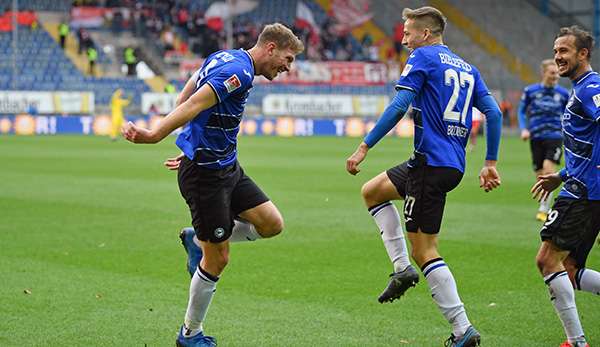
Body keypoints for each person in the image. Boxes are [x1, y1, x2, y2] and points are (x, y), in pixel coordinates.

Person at [122, 23, 304, 347]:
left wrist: (188, 142)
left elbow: (189, 88)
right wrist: (154, 136)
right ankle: (189, 335)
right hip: (205, 177)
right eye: (287, 59)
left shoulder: (226, 57)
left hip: (227, 167)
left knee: (272, 223)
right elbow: (193, 104)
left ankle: (197, 239)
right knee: (218, 259)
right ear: (271, 47)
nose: (287, 67)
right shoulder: (240, 72)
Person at [346, 7, 502, 347]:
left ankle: (462, 330)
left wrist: (364, 146)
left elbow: (400, 104)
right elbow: (492, 112)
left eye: (408, 32)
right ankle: (402, 269)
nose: (403, 38)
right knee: (373, 192)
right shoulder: (468, 68)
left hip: (431, 165)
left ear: (426, 34)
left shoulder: (423, 58)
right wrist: (490, 161)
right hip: (444, 163)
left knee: (426, 250)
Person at [532, 25, 600, 347]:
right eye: (556, 51)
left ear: (583, 54)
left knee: (547, 260)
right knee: (570, 268)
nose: (558, 57)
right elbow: (589, 142)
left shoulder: (591, 88)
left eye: (564, 51)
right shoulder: (580, 89)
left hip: (584, 192)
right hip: (580, 184)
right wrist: (560, 174)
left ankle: (576, 342)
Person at [518, 59, 569, 221]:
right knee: (540, 174)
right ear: (544, 73)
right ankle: (544, 203)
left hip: (555, 136)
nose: (555, 76)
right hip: (535, 136)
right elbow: (521, 111)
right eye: (552, 73)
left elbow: (569, 116)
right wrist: (524, 128)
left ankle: (544, 208)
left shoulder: (563, 94)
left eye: (557, 73)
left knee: (548, 170)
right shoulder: (531, 91)